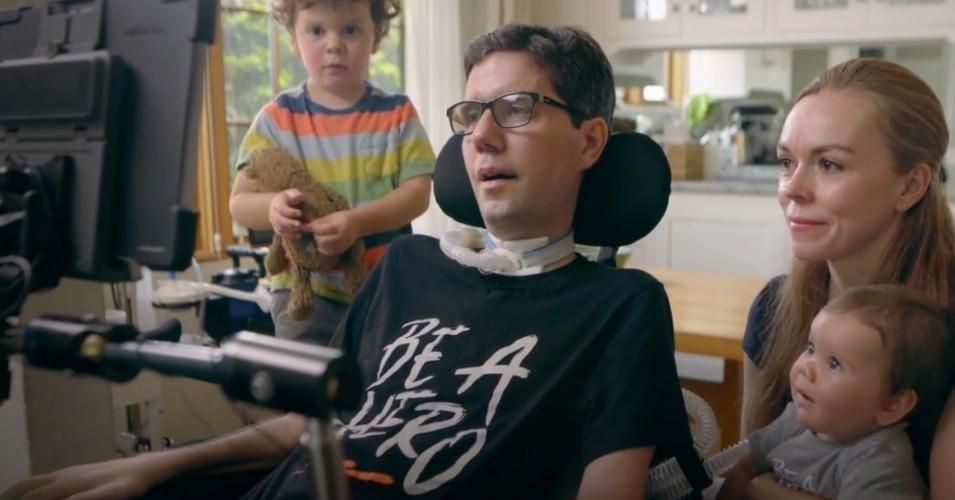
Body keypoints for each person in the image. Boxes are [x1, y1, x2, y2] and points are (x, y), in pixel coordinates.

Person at [1, 23, 699, 500]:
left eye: (515, 108)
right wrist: (149, 471)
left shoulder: (620, 306)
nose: (479, 138)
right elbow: (324, 421)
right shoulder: (404, 267)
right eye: (469, 114)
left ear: (588, 141)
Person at [740, 58, 955, 499]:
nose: (792, 189)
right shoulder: (773, 309)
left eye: (830, 164)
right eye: (786, 161)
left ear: (910, 186)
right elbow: (740, 472)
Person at [229, 0, 435, 345]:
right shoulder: (276, 119)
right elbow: (239, 202)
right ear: (294, 40)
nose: (334, 45)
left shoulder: (398, 113)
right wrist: (274, 207)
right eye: (316, 30)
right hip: (305, 297)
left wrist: (358, 223)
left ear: (377, 36)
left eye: (351, 30)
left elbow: (417, 194)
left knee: (383, 392)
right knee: (306, 392)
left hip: (384, 290)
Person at [720, 284, 954, 500]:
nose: (806, 368)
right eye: (811, 348)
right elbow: (743, 470)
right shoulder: (793, 421)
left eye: (834, 363)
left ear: (892, 405)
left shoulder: (879, 466)